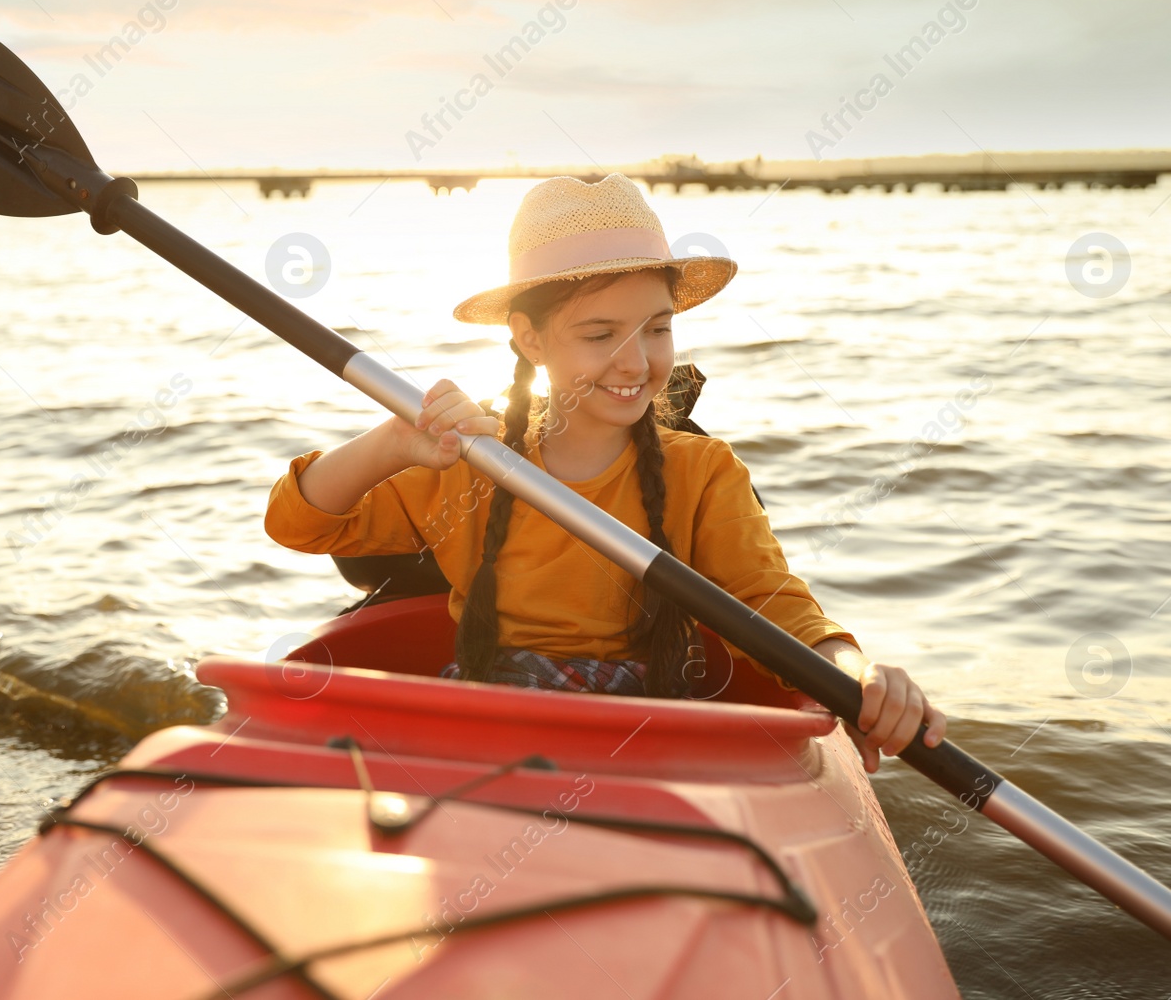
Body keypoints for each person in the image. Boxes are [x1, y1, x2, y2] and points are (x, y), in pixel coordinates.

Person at [264, 173, 945, 772]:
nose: (635, 362)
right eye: (599, 335)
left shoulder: (703, 472)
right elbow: (295, 523)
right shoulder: (466, 461)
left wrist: (859, 676)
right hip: (486, 726)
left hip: (640, 733)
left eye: (656, 328)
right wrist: (389, 444)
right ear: (531, 339)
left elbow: (775, 604)